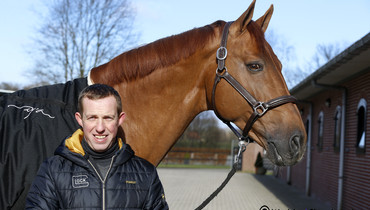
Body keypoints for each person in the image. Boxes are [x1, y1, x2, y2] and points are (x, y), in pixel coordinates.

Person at [26, 84, 168, 209]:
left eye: (108, 118)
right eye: (92, 118)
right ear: (80, 119)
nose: (100, 128)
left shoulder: (146, 173)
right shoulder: (53, 170)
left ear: (120, 119)